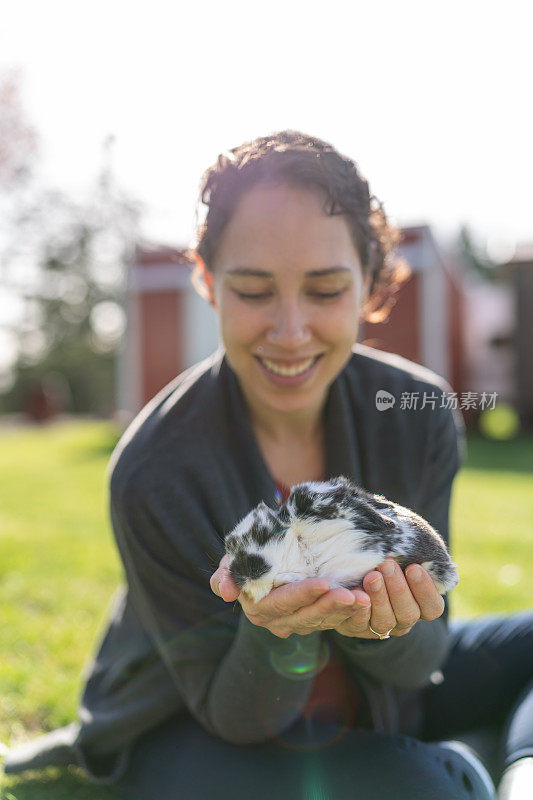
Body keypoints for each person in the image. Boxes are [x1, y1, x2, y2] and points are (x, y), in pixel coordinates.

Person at [4, 131, 532, 799]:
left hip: (381, 698)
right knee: (428, 786)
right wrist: (277, 634)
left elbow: (421, 661)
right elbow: (235, 715)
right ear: (207, 281)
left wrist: (385, 627)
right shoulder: (154, 470)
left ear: (369, 284)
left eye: (324, 290)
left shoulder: (416, 413)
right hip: (190, 725)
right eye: (253, 291)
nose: (288, 332)